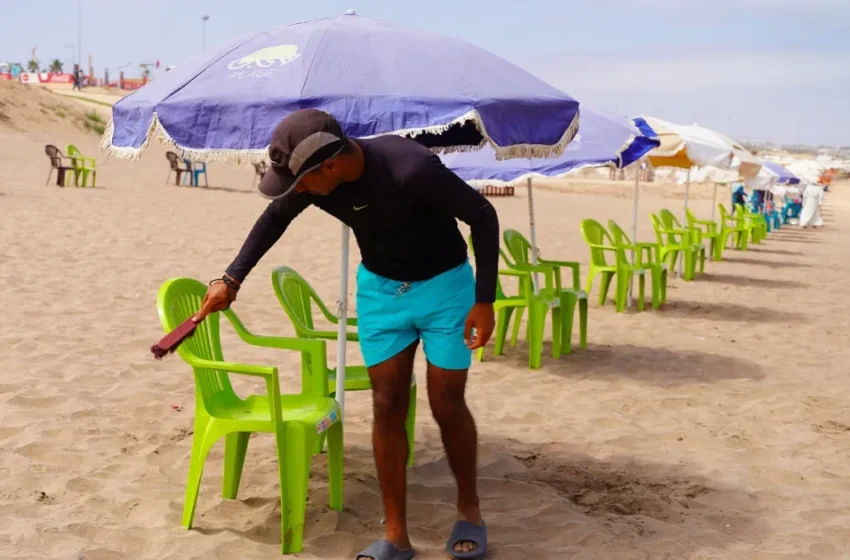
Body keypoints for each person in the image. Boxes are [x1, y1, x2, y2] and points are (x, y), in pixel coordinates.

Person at [192, 109, 499, 560]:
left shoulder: (410, 169)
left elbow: (483, 214)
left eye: (302, 182)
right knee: (386, 402)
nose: (299, 192)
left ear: (329, 166)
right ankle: (396, 534)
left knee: (446, 402)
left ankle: (469, 510)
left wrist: (484, 300)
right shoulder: (315, 183)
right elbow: (275, 218)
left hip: (446, 291)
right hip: (380, 293)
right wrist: (231, 279)